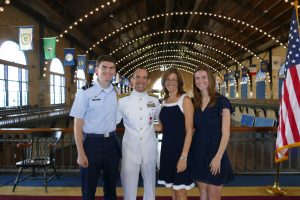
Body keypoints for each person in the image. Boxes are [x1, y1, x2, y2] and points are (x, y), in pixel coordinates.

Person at [69, 55, 121, 200]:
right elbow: (77, 124)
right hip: (91, 144)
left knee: (111, 188)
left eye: (111, 68)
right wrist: (80, 153)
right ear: (97, 70)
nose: (108, 71)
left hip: (111, 143)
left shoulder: (117, 93)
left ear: (115, 72)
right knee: (88, 189)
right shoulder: (85, 92)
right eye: (104, 67)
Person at [190, 66, 234, 200]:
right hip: (198, 151)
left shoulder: (222, 101)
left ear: (210, 79)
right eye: (197, 78)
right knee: (202, 192)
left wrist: (218, 157)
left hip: (215, 151)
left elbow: (226, 133)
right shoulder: (194, 102)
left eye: (204, 77)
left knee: (214, 194)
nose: (200, 81)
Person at [117, 67, 160, 200]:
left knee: (150, 186)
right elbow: (112, 122)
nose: (141, 80)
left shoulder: (155, 101)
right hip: (130, 150)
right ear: (132, 80)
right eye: (137, 77)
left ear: (148, 81)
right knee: (129, 188)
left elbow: (157, 122)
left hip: (149, 149)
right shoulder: (122, 101)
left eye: (144, 78)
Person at [155, 68, 194, 200]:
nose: (170, 82)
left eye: (174, 80)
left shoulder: (185, 100)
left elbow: (189, 131)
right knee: (172, 188)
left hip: (180, 151)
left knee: (181, 190)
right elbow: (161, 127)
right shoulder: (164, 101)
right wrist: (142, 125)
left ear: (179, 82)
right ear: (164, 82)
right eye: (168, 79)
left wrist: (184, 157)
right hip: (167, 150)